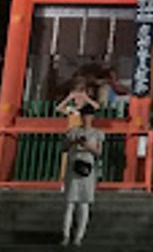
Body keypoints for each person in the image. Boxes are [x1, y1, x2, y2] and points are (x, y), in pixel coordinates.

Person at [61, 103, 104, 247]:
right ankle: (66, 235)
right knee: (69, 203)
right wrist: (74, 141)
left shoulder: (97, 133)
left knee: (84, 203)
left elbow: (99, 152)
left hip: (87, 168)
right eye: (84, 115)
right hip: (74, 166)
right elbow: (64, 147)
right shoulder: (73, 131)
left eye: (88, 115)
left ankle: (79, 236)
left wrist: (87, 146)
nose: (86, 118)